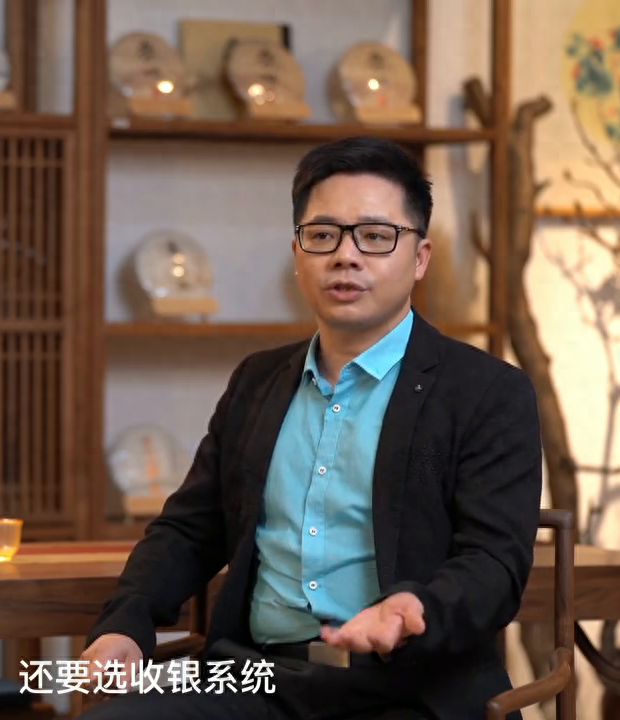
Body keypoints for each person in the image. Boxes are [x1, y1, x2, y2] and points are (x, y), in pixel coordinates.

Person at [78, 136, 543, 720]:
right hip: (256, 682)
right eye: (323, 235)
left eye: (375, 236)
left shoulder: (486, 392)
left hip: (411, 691)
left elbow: (494, 563)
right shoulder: (257, 381)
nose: (346, 256)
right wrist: (127, 623)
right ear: (297, 253)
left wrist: (411, 610)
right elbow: (189, 529)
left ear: (420, 258)